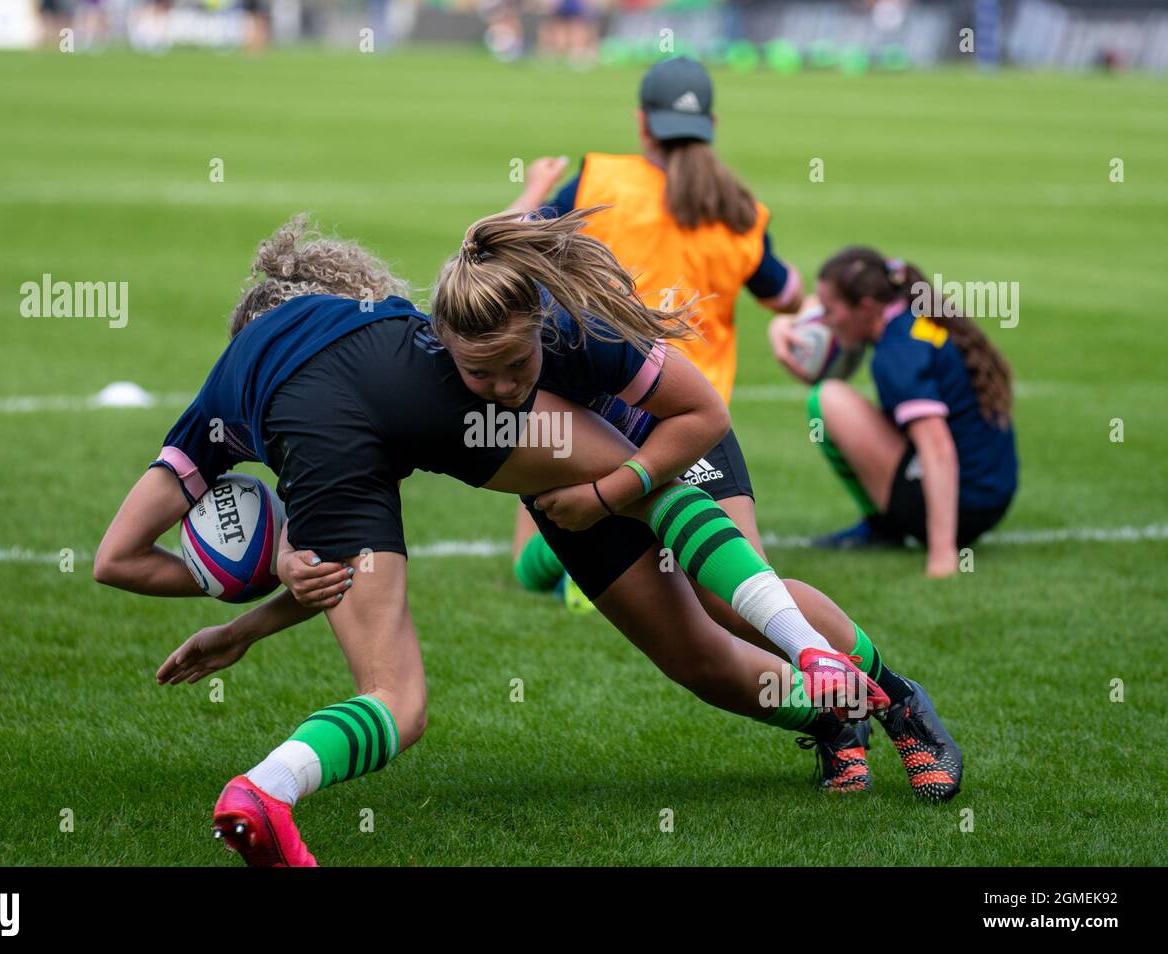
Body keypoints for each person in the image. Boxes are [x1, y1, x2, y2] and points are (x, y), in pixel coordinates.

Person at [94, 214, 953, 866]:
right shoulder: (416, 347)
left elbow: (699, 414)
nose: (501, 389)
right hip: (565, 491)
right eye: (480, 375)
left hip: (664, 445)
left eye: (514, 369)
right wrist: (243, 619)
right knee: (698, 661)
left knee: (733, 603)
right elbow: (341, 571)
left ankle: (890, 695)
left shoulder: (578, 332)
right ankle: (834, 714)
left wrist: (614, 488)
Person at [504, 55, 808, 607]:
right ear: (710, 126)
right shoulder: (742, 212)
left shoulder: (601, 179)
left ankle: (578, 560)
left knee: (531, 559)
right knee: (742, 586)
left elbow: (509, 247)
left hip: (600, 409)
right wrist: (793, 308)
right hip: (694, 424)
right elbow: (785, 294)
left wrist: (532, 192)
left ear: (643, 122)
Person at [772, 247, 1017, 576]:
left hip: (964, 506)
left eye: (831, 311)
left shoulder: (897, 356)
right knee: (837, 398)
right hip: (989, 493)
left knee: (826, 400)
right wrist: (782, 325)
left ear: (867, 307)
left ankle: (883, 527)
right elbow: (817, 303)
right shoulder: (911, 314)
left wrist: (943, 554)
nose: (825, 321)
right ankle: (886, 525)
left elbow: (938, 447)